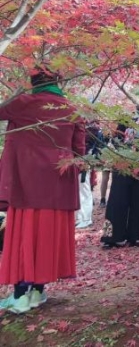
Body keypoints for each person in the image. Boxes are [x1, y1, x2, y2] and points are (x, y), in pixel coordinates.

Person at [0, 68, 85, 313]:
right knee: (49, 236)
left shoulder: (23, 103)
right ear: (58, 80)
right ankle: (38, 291)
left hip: (26, 182)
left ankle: (20, 296)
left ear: (32, 81)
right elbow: (79, 150)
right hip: (59, 184)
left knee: (25, 235)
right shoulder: (72, 109)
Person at [101, 93, 139, 248]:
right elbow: (116, 139)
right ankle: (114, 236)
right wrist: (125, 154)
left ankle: (136, 235)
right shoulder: (127, 119)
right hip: (123, 163)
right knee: (118, 199)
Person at [76, 121, 104, 229]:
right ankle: (78, 217)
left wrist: (89, 159)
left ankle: (85, 219)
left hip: (85, 161)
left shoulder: (95, 130)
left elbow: (97, 149)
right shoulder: (77, 124)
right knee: (78, 189)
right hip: (74, 160)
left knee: (84, 189)